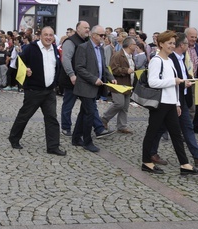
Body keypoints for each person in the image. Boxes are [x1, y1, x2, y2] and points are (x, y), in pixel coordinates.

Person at [150, 32, 198, 167]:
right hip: (169, 100)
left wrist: (186, 82)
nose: (190, 44)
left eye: (173, 43)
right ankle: (151, 155)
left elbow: (181, 76)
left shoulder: (181, 58)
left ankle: (196, 157)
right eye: (186, 43)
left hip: (180, 99)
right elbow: (161, 81)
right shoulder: (167, 59)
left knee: (185, 127)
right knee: (160, 128)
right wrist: (179, 83)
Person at [141, 31, 198, 176]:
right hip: (160, 104)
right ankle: (146, 162)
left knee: (176, 134)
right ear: (161, 44)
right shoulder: (157, 60)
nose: (172, 46)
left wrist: (176, 103)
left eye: (173, 43)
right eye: (169, 43)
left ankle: (184, 164)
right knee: (152, 132)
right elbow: (153, 82)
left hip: (170, 103)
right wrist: (174, 81)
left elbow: (173, 86)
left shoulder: (169, 60)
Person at [8, 26, 65, 155]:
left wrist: (55, 83)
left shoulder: (54, 49)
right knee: (25, 115)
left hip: (49, 91)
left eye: (51, 35)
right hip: (34, 91)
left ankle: (53, 147)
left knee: (52, 119)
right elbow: (18, 62)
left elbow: (57, 67)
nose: (48, 37)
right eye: (46, 35)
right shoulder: (31, 48)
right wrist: (26, 69)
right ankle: (14, 138)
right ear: (40, 36)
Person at [72, 25, 116, 153]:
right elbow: (79, 68)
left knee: (83, 113)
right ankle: (87, 141)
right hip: (85, 87)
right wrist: (93, 79)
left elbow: (103, 66)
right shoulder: (83, 47)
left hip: (95, 87)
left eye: (104, 35)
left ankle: (76, 138)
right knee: (90, 113)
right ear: (93, 35)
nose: (104, 37)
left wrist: (110, 77)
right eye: (101, 35)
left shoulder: (101, 49)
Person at [102, 36, 136, 134]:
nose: (136, 46)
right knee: (119, 104)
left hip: (128, 85)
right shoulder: (117, 55)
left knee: (125, 106)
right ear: (130, 45)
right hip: (118, 85)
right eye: (134, 44)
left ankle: (122, 126)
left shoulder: (131, 56)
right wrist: (126, 71)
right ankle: (104, 119)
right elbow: (112, 70)